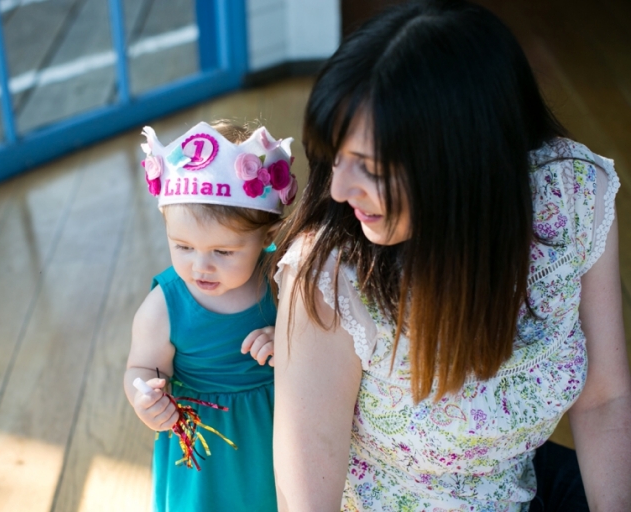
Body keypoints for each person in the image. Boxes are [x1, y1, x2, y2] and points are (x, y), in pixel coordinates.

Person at [270, 1, 631, 510]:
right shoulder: (330, 276)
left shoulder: (571, 198)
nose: (338, 190)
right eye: (334, 157)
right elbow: (306, 499)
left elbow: (604, 399)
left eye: (370, 168)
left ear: (461, 162)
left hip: (522, 485)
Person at [124, 120, 298, 512]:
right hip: (205, 447)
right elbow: (141, 366)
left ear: (267, 237)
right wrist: (145, 395)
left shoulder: (284, 283)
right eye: (182, 246)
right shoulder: (163, 307)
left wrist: (289, 338)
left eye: (223, 252)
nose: (200, 266)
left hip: (278, 433)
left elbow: (320, 345)